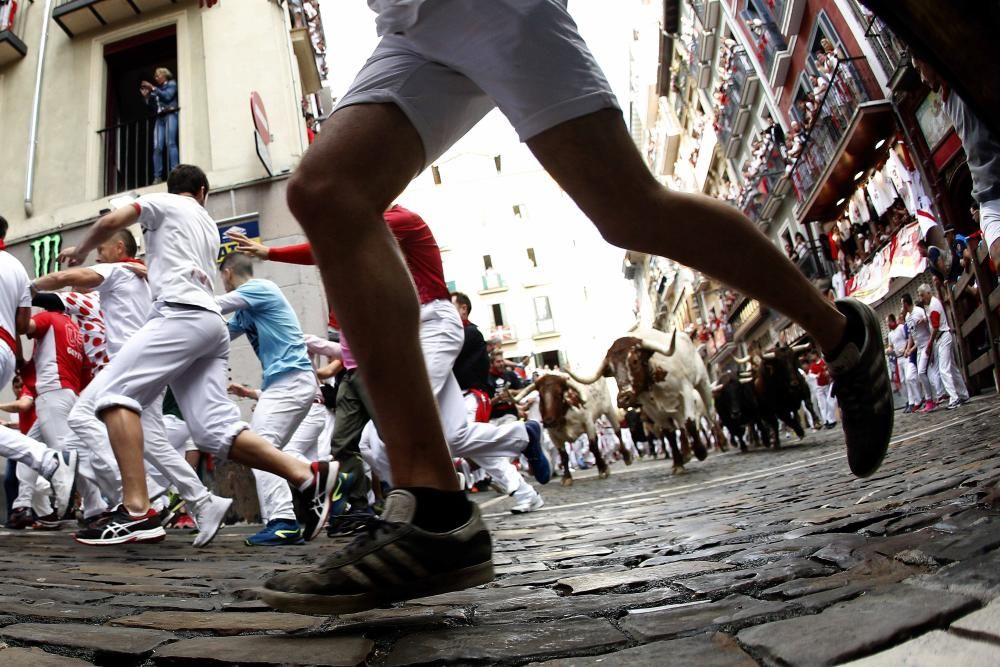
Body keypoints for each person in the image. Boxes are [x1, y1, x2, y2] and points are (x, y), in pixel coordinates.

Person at [198, 0, 896, 614]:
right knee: (326, 191)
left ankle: (841, 334)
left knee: (628, 211)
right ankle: (435, 513)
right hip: (411, 23)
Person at [58, 165, 337, 546]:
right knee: (214, 431)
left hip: (180, 313)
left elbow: (117, 218)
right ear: (203, 191)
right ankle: (306, 475)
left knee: (112, 396)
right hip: (210, 326)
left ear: (175, 189)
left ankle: (137, 511)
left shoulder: (165, 202)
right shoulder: (206, 222)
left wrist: (83, 249)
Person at [34, 228, 233, 545]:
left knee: (82, 415)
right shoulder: (150, 278)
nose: (98, 254)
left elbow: (67, 280)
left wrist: (23, 287)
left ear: (118, 247)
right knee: (152, 440)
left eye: (102, 248)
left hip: (129, 364)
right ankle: (203, 501)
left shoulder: (118, 271)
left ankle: (135, 500)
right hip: (151, 364)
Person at [217, 252, 325, 546]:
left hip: (290, 379)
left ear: (227, 273)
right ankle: (316, 487)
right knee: (272, 451)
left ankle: (285, 520)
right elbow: (218, 335)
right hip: (286, 383)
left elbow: (211, 308)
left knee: (261, 446)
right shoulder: (245, 310)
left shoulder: (260, 288)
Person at [0, 215, 77, 519]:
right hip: (7, 350)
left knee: (57, 442)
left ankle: (49, 462)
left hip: (46, 385)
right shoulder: (17, 267)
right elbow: (20, 324)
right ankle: (47, 464)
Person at [917, 283, 970, 410]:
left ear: (928, 293)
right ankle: (963, 394)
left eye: (922, 295)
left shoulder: (933, 305)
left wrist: (930, 344)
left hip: (942, 337)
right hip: (943, 337)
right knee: (952, 368)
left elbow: (935, 327)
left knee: (944, 369)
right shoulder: (931, 304)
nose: (921, 298)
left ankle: (954, 397)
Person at [141, 67, 180, 184]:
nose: (156, 78)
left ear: (164, 75)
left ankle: (175, 171)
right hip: (160, 118)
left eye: (158, 75)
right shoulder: (157, 90)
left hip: (170, 115)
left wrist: (153, 88)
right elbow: (151, 105)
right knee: (157, 147)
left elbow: (168, 96)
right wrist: (146, 96)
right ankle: (157, 176)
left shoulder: (172, 84)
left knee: (170, 143)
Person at [900, 293, 938, 413]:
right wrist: (908, 348)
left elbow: (928, 319)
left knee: (922, 372)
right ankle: (932, 399)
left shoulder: (918, 310)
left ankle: (930, 400)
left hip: (927, 343)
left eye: (902, 304)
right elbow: (911, 335)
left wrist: (925, 319)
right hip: (919, 348)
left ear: (906, 303)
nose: (902, 306)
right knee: (923, 373)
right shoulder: (907, 317)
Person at [886, 313, 921, 413]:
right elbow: (891, 346)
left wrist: (905, 348)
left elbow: (908, 339)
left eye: (888, 321)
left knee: (908, 378)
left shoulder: (901, 328)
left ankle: (912, 402)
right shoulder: (890, 334)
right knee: (902, 381)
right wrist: (888, 349)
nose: (887, 324)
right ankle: (908, 401)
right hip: (898, 359)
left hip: (906, 356)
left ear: (893, 321)